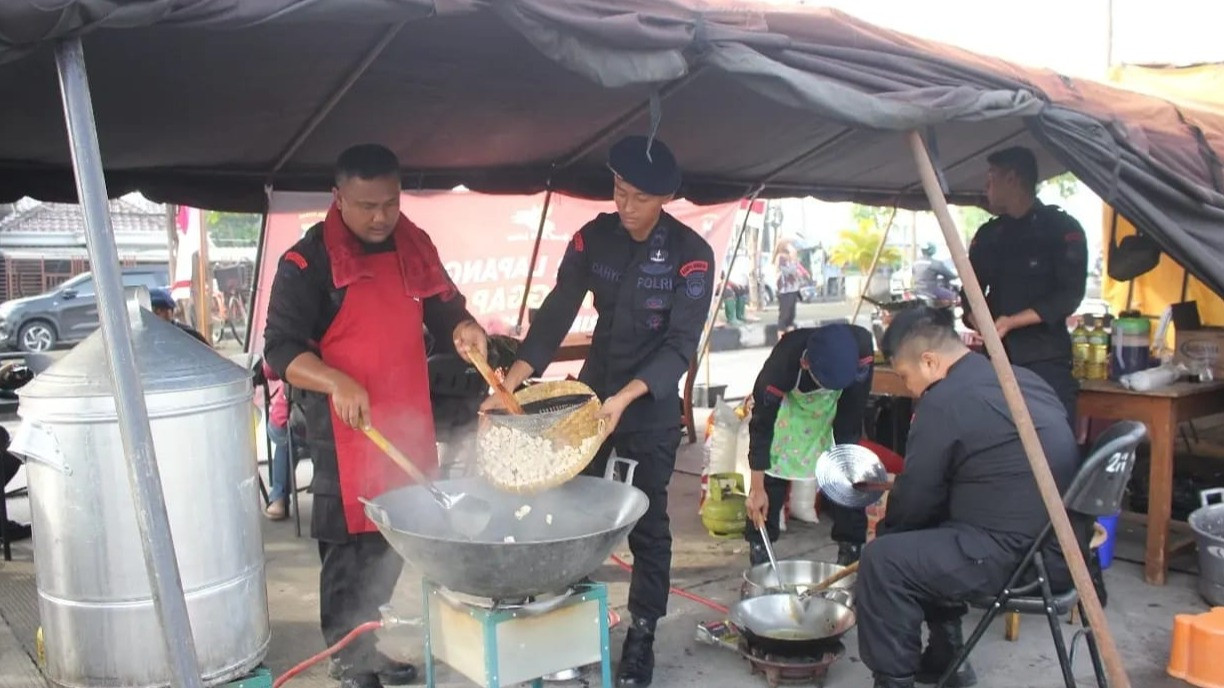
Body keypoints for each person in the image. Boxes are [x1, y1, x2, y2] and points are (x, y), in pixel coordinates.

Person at [485, 135, 714, 688]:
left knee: (646, 525)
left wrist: (627, 398)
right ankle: (575, 628)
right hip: (589, 401)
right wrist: (509, 383)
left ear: (664, 199)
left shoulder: (691, 256)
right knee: (572, 515)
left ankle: (641, 637)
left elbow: (680, 346)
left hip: (647, 407)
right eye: (618, 190)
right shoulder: (592, 240)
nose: (625, 206)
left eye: (638, 197)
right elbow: (556, 313)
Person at [264, 144, 487, 688]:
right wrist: (334, 378)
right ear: (338, 198)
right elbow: (280, 350)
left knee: (398, 539)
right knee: (349, 551)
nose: (381, 217)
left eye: (390, 202)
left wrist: (465, 328)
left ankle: (369, 643)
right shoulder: (306, 262)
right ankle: (349, 658)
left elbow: (446, 308)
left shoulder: (413, 244)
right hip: (347, 429)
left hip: (406, 417)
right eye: (366, 206)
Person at [855, 307, 1089, 688]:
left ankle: (894, 681)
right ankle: (949, 660)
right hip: (1063, 549)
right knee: (925, 538)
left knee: (885, 561)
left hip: (1020, 559)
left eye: (905, 376)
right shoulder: (1018, 377)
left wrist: (885, 534)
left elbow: (916, 499)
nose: (908, 388)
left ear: (929, 361)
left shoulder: (944, 401)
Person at [964, 147, 1088, 424]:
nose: (986, 187)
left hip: (1045, 359)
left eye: (992, 178)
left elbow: (1069, 296)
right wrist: (980, 322)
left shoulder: (1060, 229)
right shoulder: (989, 235)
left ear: (1012, 179)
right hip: (997, 357)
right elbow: (970, 294)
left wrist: (1011, 322)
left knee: (1053, 439)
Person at [744, 323, 874, 566]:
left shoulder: (862, 349)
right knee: (773, 465)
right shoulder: (782, 364)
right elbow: (762, 427)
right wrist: (756, 488)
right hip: (790, 415)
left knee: (846, 466)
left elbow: (852, 417)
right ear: (805, 364)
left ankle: (851, 546)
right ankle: (760, 545)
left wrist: (847, 455)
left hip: (833, 411)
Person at [773, 242, 808, 340]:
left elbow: (798, 273)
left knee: (791, 317)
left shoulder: (792, 259)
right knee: (784, 316)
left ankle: (790, 340)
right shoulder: (780, 258)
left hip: (793, 290)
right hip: (784, 291)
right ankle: (781, 341)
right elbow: (789, 271)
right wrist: (793, 260)